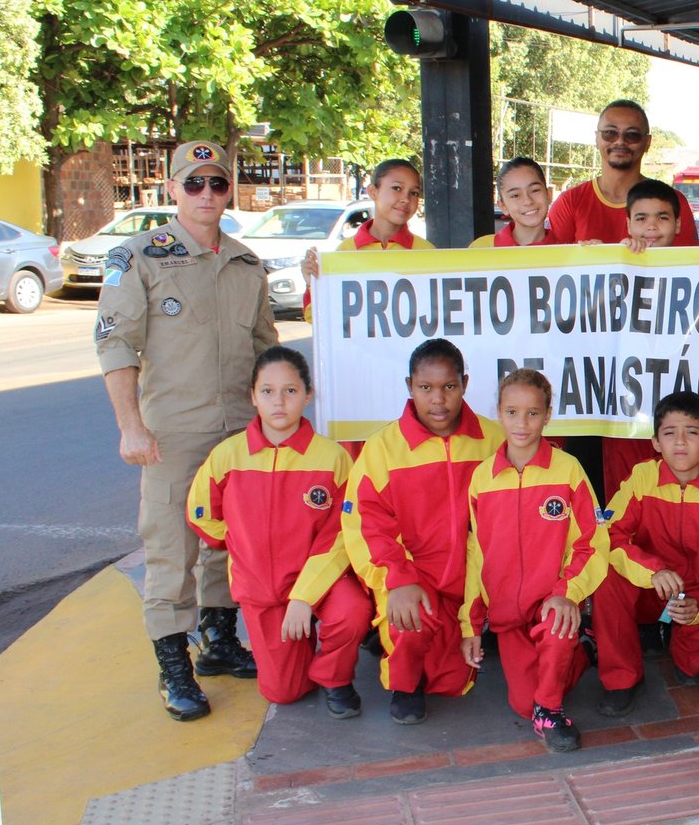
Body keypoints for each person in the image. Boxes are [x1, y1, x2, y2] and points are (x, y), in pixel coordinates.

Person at [95, 139, 277, 720]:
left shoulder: (248, 264)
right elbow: (115, 343)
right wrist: (130, 426)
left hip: (239, 430)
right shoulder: (139, 256)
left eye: (217, 183)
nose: (206, 194)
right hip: (171, 432)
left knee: (229, 543)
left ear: (229, 190)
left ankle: (219, 641)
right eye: (193, 183)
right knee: (173, 546)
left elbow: (266, 349)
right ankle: (173, 662)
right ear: (171, 188)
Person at [187, 347, 371, 717]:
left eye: (290, 391)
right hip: (262, 589)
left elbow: (341, 533)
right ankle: (300, 655)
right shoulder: (227, 456)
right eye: (267, 391)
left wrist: (304, 595)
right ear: (253, 396)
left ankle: (334, 676)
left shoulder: (332, 458)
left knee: (353, 610)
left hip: (320, 580)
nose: (279, 402)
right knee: (284, 693)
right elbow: (200, 513)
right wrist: (243, 546)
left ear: (308, 395)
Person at [344, 338, 504, 724]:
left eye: (449, 387)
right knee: (408, 623)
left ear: (464, 384)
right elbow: (365, 522)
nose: (438, 400)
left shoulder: (492, 439)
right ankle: (403, 683)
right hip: (415, 580)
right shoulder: (383, 447)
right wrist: (397, 579)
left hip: (470, 582)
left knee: (452, 683)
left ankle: (478, 631)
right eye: (426, 388)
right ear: (409, 387)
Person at [461, 369, 606, 751]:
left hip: (551, 600)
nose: (521, 423)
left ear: (548, 415)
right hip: (508, 611)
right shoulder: (482, 479)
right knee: (522, 703)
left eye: (532, 413)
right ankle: (582, 653)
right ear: (498, 413)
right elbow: (477, 554)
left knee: (556, 633)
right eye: (512, 412)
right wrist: (471, 624)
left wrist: (567, 592)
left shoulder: (568, 469)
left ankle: (551, 712)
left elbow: (592, 541)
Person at [592, 390, 699, 716]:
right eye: (669, 433)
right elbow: (611, 534)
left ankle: (682, 645)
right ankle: (621, 678)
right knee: (606, 575)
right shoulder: (641, 477)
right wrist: (651, 571)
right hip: (651, 587)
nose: (680, 442)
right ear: (655, 442)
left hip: (696, 596)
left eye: (691, 432)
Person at [600, 178, 693, 501]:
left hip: (681, 412)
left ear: (678, 224)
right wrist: (592, 257)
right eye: (641, 218)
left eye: (662, 217)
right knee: (626, 505)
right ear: (627, 223)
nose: (651, 227)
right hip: (624, 420)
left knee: (683, 503)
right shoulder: (611, 266)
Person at [546, 100, 699, 246]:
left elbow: (688, 265)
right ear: (597, 138)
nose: (620, 141)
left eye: (632, 134)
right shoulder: (569, 203)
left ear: (647, 142)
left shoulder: (673, 202)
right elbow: (552, 266)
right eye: (610, 133)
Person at [302, 158, 431, 321]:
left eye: (414, 193)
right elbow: (316, 317)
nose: (406, 198)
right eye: (396, 188)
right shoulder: (345, 253)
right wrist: (312, 283)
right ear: (373, 191)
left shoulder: (427, 252)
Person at [471, 157, 553, 247]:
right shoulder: (482, 248)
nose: (528, 201)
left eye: (535, 190)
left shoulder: (567, 250)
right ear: (503, 206)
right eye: (515, 195)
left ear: (549, 195)